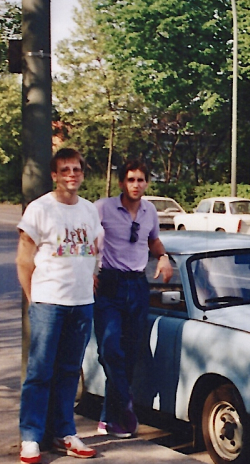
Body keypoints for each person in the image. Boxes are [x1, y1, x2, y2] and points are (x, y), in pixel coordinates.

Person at [16, 148, 102, 464]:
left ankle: (64, 432)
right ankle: (31, 437)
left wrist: (91, 278)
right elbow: (24, 259)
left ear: (82, 174)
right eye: (65, 170)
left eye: (76, 170)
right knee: (39, 372)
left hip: (81, 304)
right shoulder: (39, 210)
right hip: (48, 302)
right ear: (54, 175)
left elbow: (94, 251)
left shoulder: (90, 211)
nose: (71, 175)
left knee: (69, 372)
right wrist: (34, 298)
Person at [93, 159, 173, 438]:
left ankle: (109, 418)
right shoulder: (102, 208)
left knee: (128, 354)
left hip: (137, 286)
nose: (136, 185)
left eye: (140, 180)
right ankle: (126, 403)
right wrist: (88, 268)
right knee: (109, 349)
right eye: (130, 180)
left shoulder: (150, 210)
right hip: (109, 285)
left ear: (146, 183)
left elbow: (153, 240)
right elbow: (86, 239)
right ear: (121, 183)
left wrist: (163, 257)